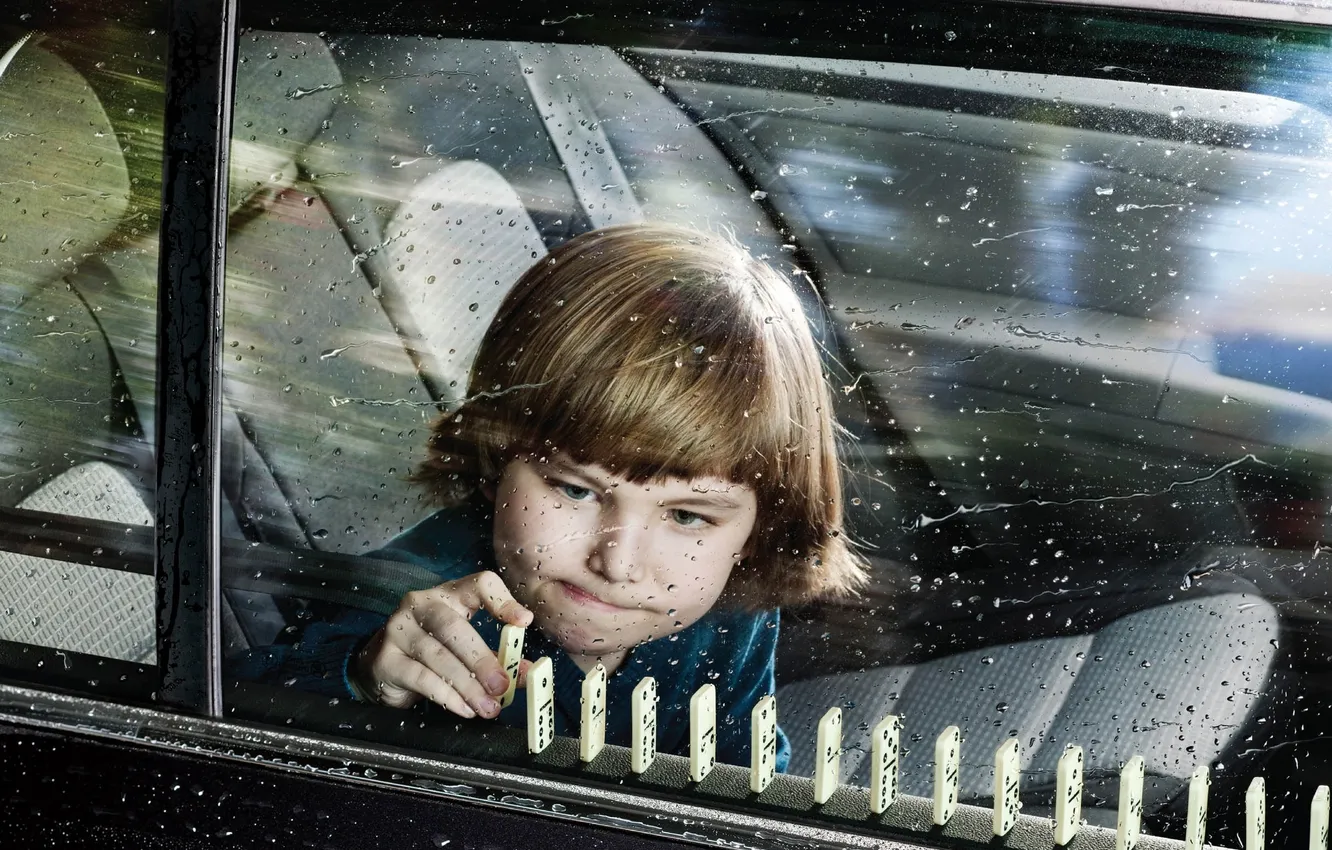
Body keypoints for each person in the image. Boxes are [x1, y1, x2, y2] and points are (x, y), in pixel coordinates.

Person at [235, 223, 866, 771]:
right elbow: (239, 707)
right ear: (494, 460)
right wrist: (364, 679)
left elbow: (746, 773)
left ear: (756, 531)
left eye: (686, 515)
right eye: (575, 489)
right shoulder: (418, 600)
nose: (617, 562)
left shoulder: (733, 605)